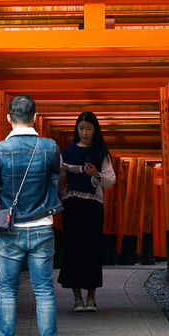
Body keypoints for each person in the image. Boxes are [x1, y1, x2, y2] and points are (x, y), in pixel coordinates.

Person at [0, 95, 64, 336]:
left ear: (9, 118)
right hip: (43, 226)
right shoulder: (50, 147)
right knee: (44, 289)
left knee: (7, 288)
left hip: (11, 230)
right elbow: (56, 183)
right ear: (35, 116)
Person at [58, 111, 116, 312]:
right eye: (81, 128)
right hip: (72, 204)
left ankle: (91, 298)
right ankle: (77, 298)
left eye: (88, 129)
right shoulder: (67, 152)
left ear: (95, 130)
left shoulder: (102, 154)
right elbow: (57, 176)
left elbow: (110, 181)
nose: (84, 132)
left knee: (92, 248)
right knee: (73, 247)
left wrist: (96, 174)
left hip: (93, 206)